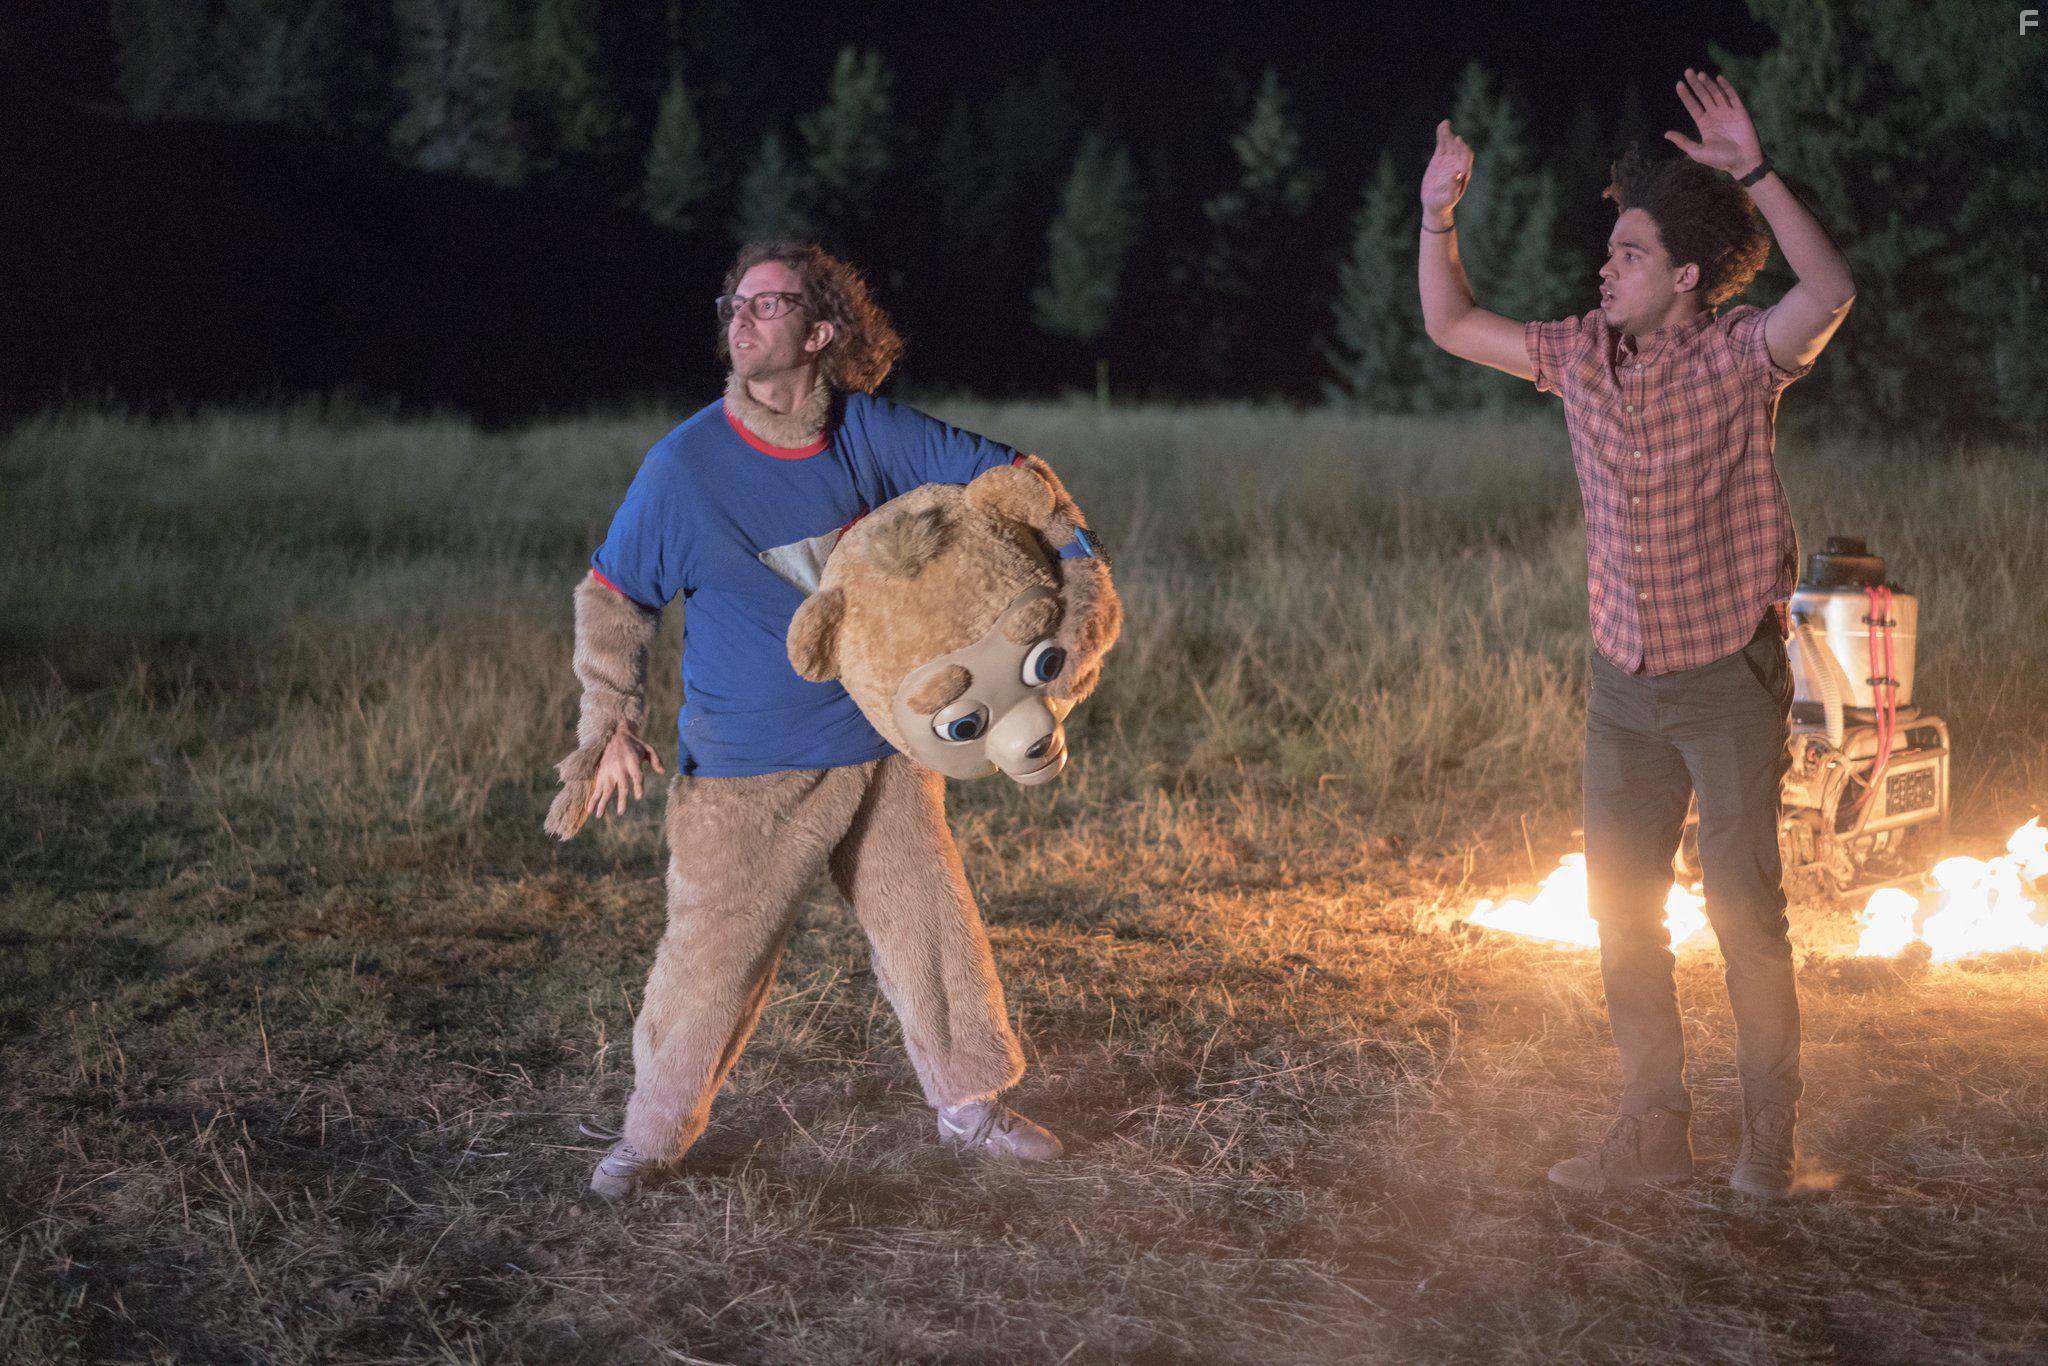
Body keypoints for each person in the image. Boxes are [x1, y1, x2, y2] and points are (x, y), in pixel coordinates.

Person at [552, 241, 1111, 1200]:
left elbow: (1015, 477)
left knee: (931, 925)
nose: (742, 314)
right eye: (736, 299)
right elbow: (613, 596)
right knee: (711, 963)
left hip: (881, 749)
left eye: (770, 303)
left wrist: (1079, 569)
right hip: (745, 764)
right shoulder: (683, 469)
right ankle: (650, 1141)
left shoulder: (871, 436)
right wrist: (609, 722)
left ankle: (968, 1105)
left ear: (819, 333)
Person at [1417, 71, 1855, 1198]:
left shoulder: (1738, 356)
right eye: (1606, 252)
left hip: (1725, 681)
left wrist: (1752, 170)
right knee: (1622, 914)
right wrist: (1435, 217)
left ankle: (1769, 1135)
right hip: (1620, 689)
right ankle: (1653, 1130)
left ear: (1685, 278)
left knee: (1744, 914)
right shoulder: (1574, 358)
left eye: (1626, 254)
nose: (1601, 268)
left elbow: (1832, 286)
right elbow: (1448, 320)